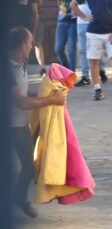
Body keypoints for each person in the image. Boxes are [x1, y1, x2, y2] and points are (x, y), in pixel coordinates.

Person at [8, 27, 66, 218]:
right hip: (8, 127)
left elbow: (25, 96)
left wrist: (44, 95)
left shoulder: (20, 64)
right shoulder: (8, 68)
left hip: (19, 125)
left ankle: (16, 198)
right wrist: (51, 101)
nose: (32, 46)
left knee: (28, 167)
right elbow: (22, 102)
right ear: (22, 44)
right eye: (30, 43)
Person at [71, 0, 112, 101]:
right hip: (93, 32)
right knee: (94, 61)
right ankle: (97, 90)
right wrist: (83, 16)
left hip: (110, 32)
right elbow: (73, 4)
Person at [71, 0, 108, 86]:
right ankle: (85, 76)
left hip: (95, 23)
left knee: (97, 47)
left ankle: (101, 70)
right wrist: (83, 16)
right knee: (83, 50)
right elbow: (73, 4)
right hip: (82, 24)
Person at [55, 0, 77, 71]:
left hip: (73, 22)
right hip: (61, 21)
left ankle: (71, 73)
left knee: (71, 49)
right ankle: (66, 69)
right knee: (58, 49)